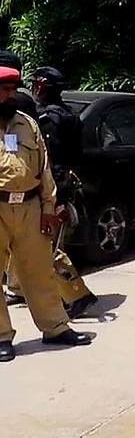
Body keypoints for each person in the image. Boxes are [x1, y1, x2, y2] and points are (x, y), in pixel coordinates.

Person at [0, 66, 92, 362]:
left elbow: (44, 169)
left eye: (13, 89)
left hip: (29, 206)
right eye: (3, 89)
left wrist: (49, 208)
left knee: (39, 271)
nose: (9, 95)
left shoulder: (27, 123)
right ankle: (2, 336)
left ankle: (55, 327)